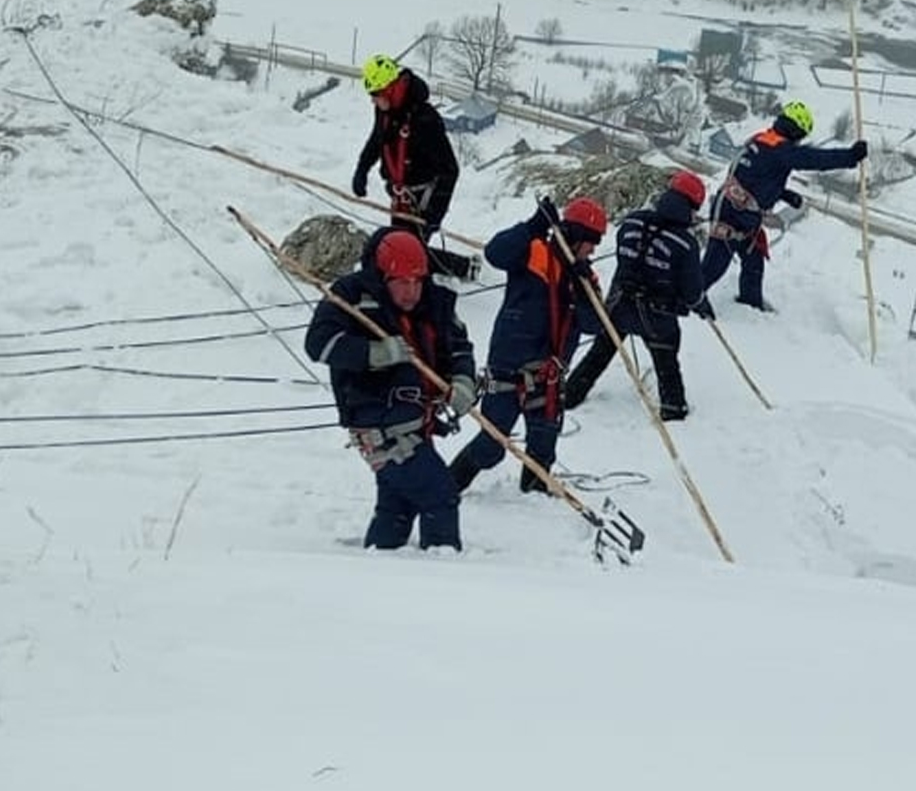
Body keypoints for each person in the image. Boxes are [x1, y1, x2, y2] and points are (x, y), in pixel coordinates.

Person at [304, 227, 477, 551]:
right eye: (401, 282)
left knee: (399, 505)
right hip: (378, 424)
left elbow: (459, 347)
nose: (411, 291)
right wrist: (374, 353)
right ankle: (445, 575)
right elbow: (318, 344)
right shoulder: (352, 297)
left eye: (417, 281)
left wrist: (464, 380)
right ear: (382, 277)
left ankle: (382, 563)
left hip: (417, 422)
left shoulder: (434, 302)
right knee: (439, 494)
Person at [447, 196, 608, 495]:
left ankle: (534, 501)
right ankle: (446, 487)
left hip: (548, 378)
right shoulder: (534, 251)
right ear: (575, 236)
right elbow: (495, 253)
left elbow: (595, 325)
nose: (593, 249)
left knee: (543, 447)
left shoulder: (585, 278)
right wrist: (533, 226)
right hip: (509, 370)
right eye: (591, 241)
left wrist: (583, 290)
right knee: (490, 446)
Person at [561, 170, 710, 422]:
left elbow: (624, 258)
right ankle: (673, 408)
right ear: (690, 206)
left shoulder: (632, 222)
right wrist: (700, 304)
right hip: (656, 315)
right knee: (666, 358)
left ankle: (571, 394)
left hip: (619, 304)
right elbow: (691, 289)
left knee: (601, 351)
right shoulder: (685, 243)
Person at [701, 100, 866, 312]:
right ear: (796, 131)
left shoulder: (762, 140)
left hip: (737, 210)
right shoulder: (780, 149)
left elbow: (757, 179)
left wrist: (785, 195)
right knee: (716, 262)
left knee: (753, 260)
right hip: (734, 214)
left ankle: (749, 303)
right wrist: (851, 156)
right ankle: (686, 298)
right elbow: (815, 159)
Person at [351, 54, 469, 279]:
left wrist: (434, 212)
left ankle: (452, 272)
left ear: (389, 89)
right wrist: (362, 168)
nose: (372, 101)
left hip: (422, 201)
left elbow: (450, 169)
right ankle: (458, 268)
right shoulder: (385, 112)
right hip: (400, 196)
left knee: (409, 253)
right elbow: (378, 140)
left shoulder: (425, 120)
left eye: (375, 95)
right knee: (401, 245)